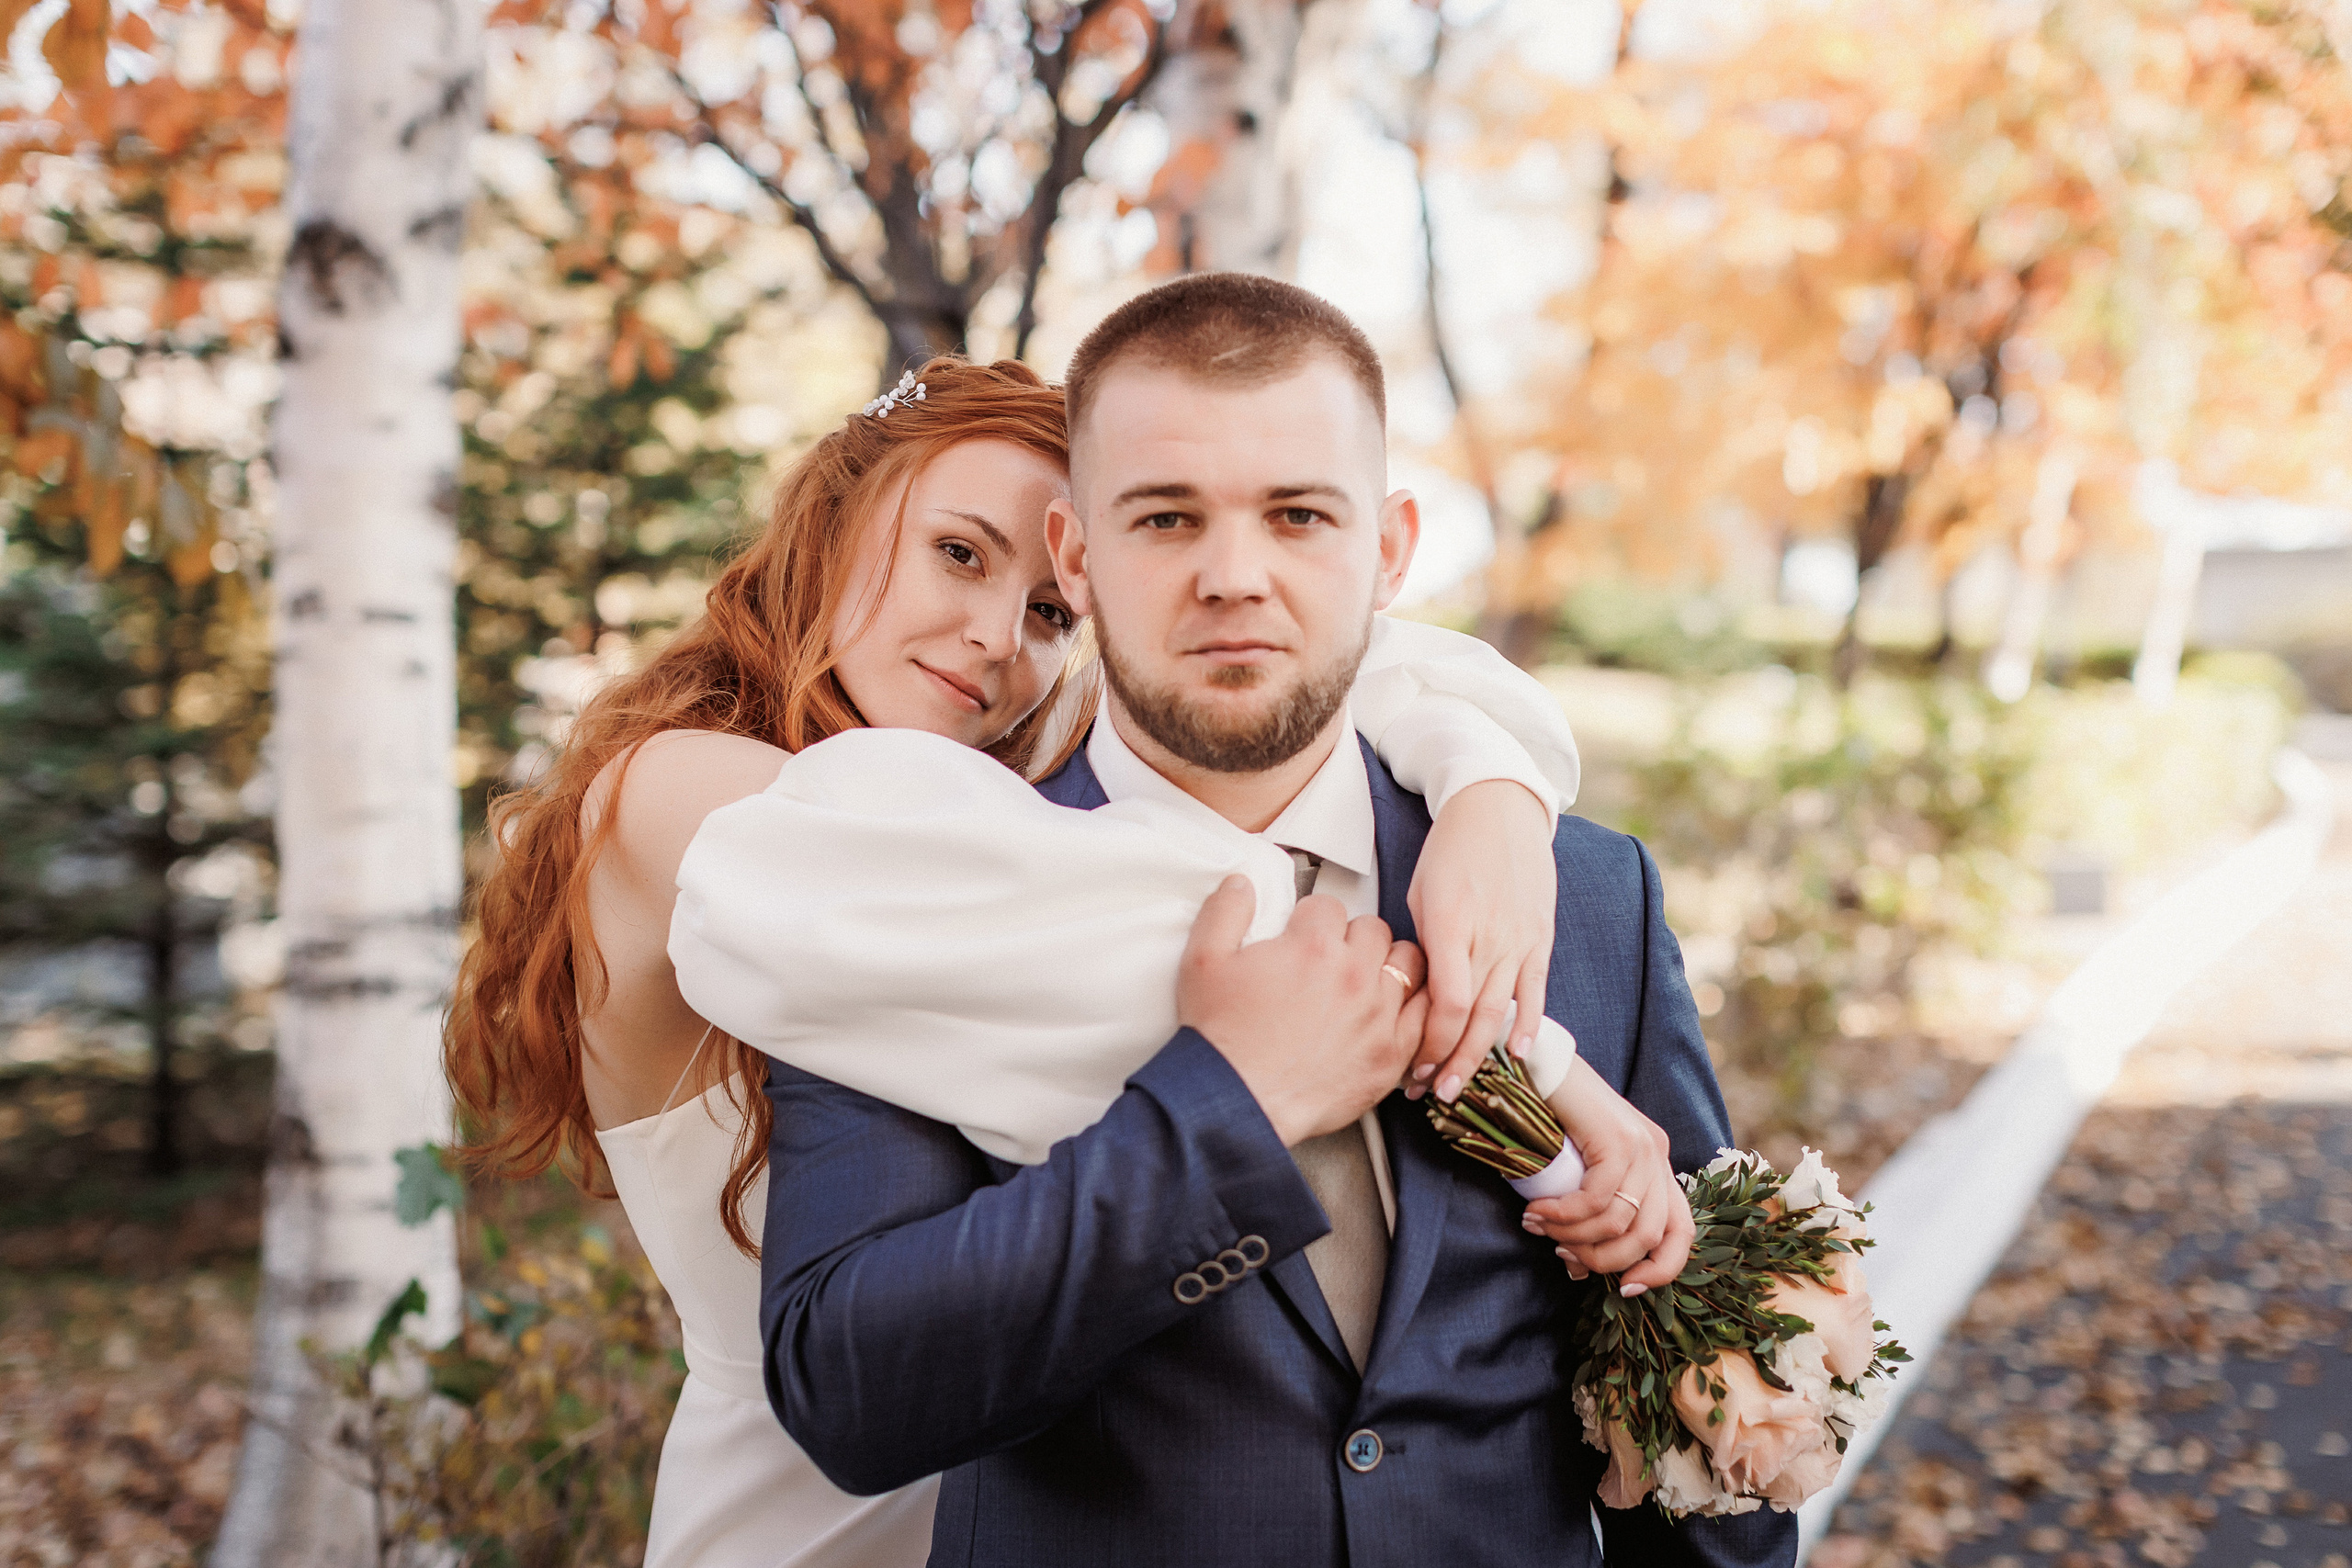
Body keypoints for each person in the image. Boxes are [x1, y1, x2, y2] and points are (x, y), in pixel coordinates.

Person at [445, 355, 1678, 1568]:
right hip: (813, 1519)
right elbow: (1210, 935)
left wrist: (1490, 792)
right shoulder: (687, 797)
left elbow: (1348, 663)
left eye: (1049, 612)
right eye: (960, 553)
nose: (993, 640)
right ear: (832, 522)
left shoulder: (997, 816)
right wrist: (1545, 1064)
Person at [747, 276, 1796, 1567]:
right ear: (1077, 556)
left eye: (1298, 516)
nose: (1232, 577)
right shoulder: (912, 894)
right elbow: (852, 1397)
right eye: (1166, 518)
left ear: (1391, 550)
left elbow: (1697, 1381)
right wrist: (1224, 1109)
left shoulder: (1587, 898)